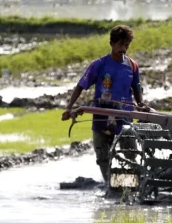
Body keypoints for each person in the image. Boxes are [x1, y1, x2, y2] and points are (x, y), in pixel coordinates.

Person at [61, 25, 148, 183]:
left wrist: (141, 104)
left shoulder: (132, 66)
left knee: (131, 153)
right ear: (111, 44)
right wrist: (69, 108)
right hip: (101, 116)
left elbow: (136, 88)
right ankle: (110, 185)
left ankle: (133, 186)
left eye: (126, 46)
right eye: (121, 45)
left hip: (125, 117)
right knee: (102, 156)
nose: (124, 49)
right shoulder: (99, 65)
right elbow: (81, 86)